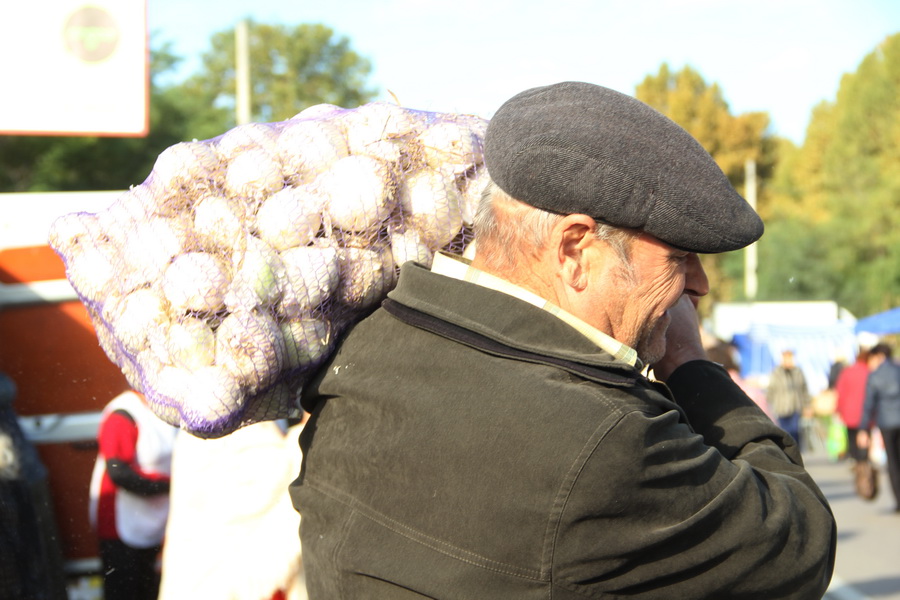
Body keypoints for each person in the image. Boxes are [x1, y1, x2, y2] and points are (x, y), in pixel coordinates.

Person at [291, 81, 836, 598]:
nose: (699, 285)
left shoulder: (368, 345)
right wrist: (689, 362)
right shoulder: (611, 441)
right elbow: (797, 545)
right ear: (575, 250)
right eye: (678, 258)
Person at [158, 419, 308, 600]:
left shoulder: (195, 425)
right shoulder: (223, 429)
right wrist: (306, 434)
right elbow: (268, 492)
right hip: (224, 577)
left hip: (198, 576)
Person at [89, 388, 178, 600]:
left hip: (155, 518)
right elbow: (119, 473)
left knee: (150, 589)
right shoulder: (123, 414)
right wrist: (169, 486)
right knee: (125, 589)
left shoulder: (168, 410)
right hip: (121, 521)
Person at [858, 343, 900, 511]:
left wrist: (864, 429)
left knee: (893, 463)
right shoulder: (898, 370)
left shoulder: (875, 376)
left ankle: (899, 500)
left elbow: (868, 404)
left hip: (886, 423)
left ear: (879, 356)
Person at [767, 349, 811, 447]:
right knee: (785, 432)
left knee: (795, 431)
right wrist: (768, 405)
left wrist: (807, 406)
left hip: (795, 407)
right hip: (781, 408)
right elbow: (771, 390)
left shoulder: (798, 372)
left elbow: (804, 390)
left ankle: (796, 452)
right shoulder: (776, 372)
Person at [836, 347, 871, 463]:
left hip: (849, 411)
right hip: (865, 411)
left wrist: (839, 409)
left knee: (852, 438)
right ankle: (863, 461)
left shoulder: (847, 371)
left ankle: (855, 460)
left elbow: (840, 392)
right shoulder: (869, 372)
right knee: (864, 437)